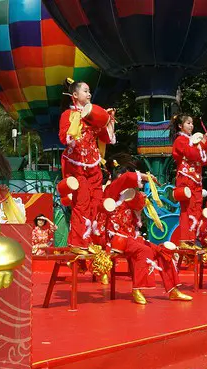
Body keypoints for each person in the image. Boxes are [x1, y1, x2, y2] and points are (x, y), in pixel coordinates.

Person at [107, 185, 193, 305]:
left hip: (133, 238)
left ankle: (173, 290)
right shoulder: (114, 202)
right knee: (144, 250)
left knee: (163, 251)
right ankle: (137, 289)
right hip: (120, 240)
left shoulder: (132, 209)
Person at [59, 78, 116, 249]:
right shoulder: (67, 115)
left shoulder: (94, 116)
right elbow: (65, 138)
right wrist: (78, 122)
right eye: (85, 90)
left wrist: (109, 121)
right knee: (82, 202)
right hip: (76, 166)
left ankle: (94, 240)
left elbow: (107, 139)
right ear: (75, 95)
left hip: (94, 165)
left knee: (97, 202)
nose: (89, 93)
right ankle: (77, 242)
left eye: (89, 91)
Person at [171, 113, 207, 245]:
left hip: (196, 179)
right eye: (188, 123)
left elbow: (204, 159)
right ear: (180, 126)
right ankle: (186, 239)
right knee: (187, 209)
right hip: (186, 178)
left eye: (192, 123)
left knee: (196, 208)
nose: (191, 126)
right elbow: (193, 154)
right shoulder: (180, 140)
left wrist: (206, 143)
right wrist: (203, 142)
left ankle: (192, 238)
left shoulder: (191, 140)